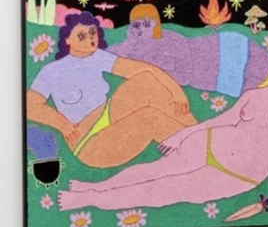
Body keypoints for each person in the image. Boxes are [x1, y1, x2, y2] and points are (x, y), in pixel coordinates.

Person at [57, 39, 268, 212]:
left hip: (236, 174)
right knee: (155, 170)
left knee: (163, 191)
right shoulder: (254, 95)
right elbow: (224, 119)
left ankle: (89, 200)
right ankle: (95, 187)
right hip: (214, 142)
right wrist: (183, 134)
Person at [26, 12, 197, 169]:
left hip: (107, 115)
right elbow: (30, 105)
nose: (90, 39)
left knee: (146, 81)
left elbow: (144, 69)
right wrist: (61, 124)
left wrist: (176, 91)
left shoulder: (97, 56)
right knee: (149, 117)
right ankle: (193, 152)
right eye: (81, 36)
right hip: (88, 142)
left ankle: (200, 134)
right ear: (67, 40)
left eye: (92, 32)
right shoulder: (51, 71)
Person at [110, 4, 268, 97]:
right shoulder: (136, 50)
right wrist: (129, 41)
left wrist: (167, 70)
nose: (141, 29)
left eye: (146, 23)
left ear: (155, 23)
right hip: (215, 78)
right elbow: (110, 54)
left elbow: (184, 74)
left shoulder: (168, 37)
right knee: (264, 87)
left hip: (221, 49)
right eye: (137, 25)